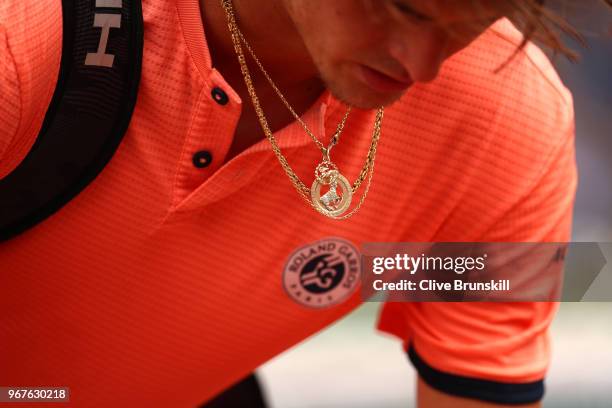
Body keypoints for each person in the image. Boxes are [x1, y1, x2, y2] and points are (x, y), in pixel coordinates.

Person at [1, 0, 606, 406]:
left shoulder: (514, 120)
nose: (421, 65)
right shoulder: (24, 38)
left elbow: (482, 383)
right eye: (402, 8)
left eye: (468, 20)